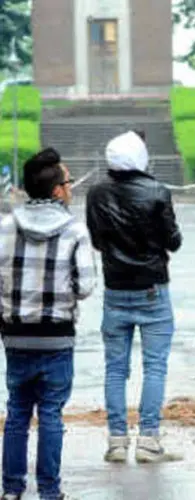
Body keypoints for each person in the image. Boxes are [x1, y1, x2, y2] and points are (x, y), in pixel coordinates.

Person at [0, 148, 96, 500]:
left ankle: (11, 490)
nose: (71, 187)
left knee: (17, 413)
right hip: (56, 338)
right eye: (68, 182)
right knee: (51, 414)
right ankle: (50, 492)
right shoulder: (75, 230)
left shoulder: (6, 226)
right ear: (57, 190)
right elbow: (85, 287)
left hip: (16, 337)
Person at [85, 131, 182, 464]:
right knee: (154, 367)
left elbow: (97, 242)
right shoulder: (157, 192)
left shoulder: (96, 194)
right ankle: (149, 440)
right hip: (152, 289)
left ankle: (116, 441)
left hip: (115, 289)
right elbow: (174, 241)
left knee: (115, 369)